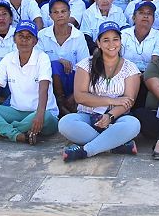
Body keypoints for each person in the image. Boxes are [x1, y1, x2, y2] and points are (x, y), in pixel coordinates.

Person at [58, 21, 142, 161]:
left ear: (120, 42)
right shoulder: (86, 64)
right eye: (106, 40)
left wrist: (109, 116)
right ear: (98, 42)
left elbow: (129, 101)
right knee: (65, 123)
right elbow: (80, 97)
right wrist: (112, 100)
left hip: (116, 119)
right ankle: (115, 144)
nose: (111, 44)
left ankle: (86, 151)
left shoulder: (130, 67)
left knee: (133, 124)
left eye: (115, 39)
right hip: (87, 116)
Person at [0, 19, 60, 143]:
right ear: (14, 39)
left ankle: (1, 130)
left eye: (29, 37)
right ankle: (17, 134)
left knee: (47, 116)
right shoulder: (8, 58)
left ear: (35, 41)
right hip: (16, 111)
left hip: (42, 113)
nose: (24, 40)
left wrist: (39, 114)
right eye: (20, 36)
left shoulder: (42, 58)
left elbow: (43, 89)